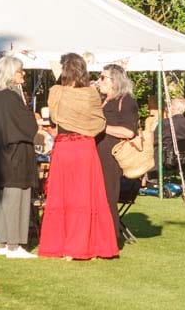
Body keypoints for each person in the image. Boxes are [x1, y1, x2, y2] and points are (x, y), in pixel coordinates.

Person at [38, 53, 117, 260]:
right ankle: (86, 246)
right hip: (84, 148)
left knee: (64, 196)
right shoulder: (91, 93)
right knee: (85, 196)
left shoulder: (56, 92)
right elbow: (99, 123)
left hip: (64, 148)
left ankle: (65, 246)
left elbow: (54, 117)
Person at [0, 55, 38, 259]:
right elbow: (29, 126)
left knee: (1, 200)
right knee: (16, 200)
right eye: (19, 71)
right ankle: (14, 246)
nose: (23, 74)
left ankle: (2, 242)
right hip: (14, 157)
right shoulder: (11, 98)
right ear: (10, 74)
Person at [96, 64, 138, 242]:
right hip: (97, 153)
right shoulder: (103, 99)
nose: (99, 81)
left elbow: (129, 132)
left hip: (111, 155)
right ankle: (99, 235)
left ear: (115, 81)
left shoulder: (126, 101)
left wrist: (103, 128)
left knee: (108, 195)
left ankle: (110, 238)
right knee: (98, 195)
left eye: (103, 77)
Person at [159, 97, 185, 168]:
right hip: (184, 158)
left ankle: (149, 177)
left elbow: (155, 140)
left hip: (165, 158)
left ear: (172, 108)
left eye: (169, 106)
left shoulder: (164, 124)